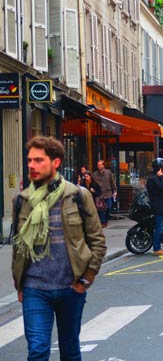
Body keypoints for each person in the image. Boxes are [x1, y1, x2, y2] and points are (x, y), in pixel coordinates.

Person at [12, 136, 106, 361]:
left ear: (55, 162)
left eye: (38, 160)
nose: (32, 166)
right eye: (29, 161)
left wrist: (87, 277)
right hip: (35, 287)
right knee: (37, 350)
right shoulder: (22, 201)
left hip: (70, 287)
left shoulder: (77, 196)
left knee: (70, 350)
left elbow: (97, 240)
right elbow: (18, 246)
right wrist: (20, 284)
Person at [146, 158, 163, 256]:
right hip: (159, 206)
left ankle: (157, 247)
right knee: (159, 228)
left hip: (160, 205)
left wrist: (162, 177)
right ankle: (157, 248)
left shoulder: (156, 177)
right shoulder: (154, 179)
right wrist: (162, 177)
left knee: (159, 226)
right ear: (159, 168)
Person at [92, 160, 117, 226]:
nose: (99, 166)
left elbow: (112, 182)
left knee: (108, 207)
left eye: (100, 165)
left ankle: (106, 219)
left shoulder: (108, 173)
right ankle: (103, 222)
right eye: (98, 165)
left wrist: (115, 191)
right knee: (101, 209)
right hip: (99, 194)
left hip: (108, 193)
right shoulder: (95, 174)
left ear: (103, 165)